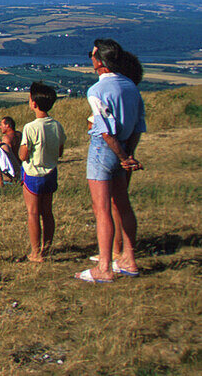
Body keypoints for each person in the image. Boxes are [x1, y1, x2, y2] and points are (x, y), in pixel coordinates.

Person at [77, 39, 145, 283]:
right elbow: (138, 126)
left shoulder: (96, 91)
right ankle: (129, 259)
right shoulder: (131, 87)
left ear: (99, 62)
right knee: (123, 205)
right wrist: (128, 155)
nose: (91, 59)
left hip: (103, 152)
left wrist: (121, 155)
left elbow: (105, 131)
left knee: (102, 209)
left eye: (92, 55)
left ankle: (104, 267)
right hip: (125, 147)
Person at [19, 82, 65, 262]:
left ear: (34, 103)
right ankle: (47, 247)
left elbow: (23, 155)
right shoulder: (57, 125)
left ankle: (35, 252)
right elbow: (60, 151)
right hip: (51, 172)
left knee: (32, 213)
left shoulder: (30, 127)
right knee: (47, 212)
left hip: (33, 174)